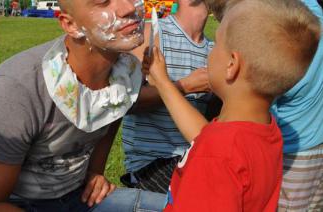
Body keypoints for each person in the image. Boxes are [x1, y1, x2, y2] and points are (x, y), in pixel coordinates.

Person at [0, 0, 150, 211]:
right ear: (70, 25)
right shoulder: (19, 86)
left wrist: (94, 172)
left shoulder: (125, 71)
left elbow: (113, 108)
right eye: (103, 2)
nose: (128, 7)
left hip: (79, 196)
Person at [140, 0, 319, 210]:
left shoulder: (216, 157)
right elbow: (204, 136)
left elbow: (211, 148)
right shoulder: (263, 131)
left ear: (232, 65)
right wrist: (162, 82)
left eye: (216, 44)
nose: (211, 51)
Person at [206, 0, 323, 210]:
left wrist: (229, 84)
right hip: (296, 140)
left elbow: (276, 79)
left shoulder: (293, 22)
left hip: (296, 150)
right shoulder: (301, 14)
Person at [122, 0, 214, 193]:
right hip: (152, 164)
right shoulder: (151, 33)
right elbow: (126, 102)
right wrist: (185, 86)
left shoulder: (214, 51)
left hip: (196, 158)